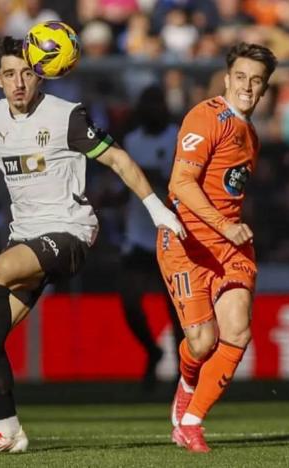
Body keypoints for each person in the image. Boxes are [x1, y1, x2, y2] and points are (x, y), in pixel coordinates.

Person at [0, 36, 184, 454]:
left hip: (71, 232)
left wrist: (157, 209)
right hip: (27, 237)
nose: (19, 83)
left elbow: (118, 159)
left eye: (27, 73)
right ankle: (8, 429)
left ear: (41, 75)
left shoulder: (66, 116)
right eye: (10, 74)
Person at [156, 42, 277, 453]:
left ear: (264, 90)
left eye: (256, 80)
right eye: (240, 77)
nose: (247, 86)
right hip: (187, 243)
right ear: (227, 79)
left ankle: (191, 422)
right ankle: (188, 382)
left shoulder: (252, 136)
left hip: (229, 246)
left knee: (239, 329)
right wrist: (225, 224)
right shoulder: (206, 117)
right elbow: (180, 184)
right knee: (203, 342)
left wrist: (230, 229)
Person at [119, 85, 185, 390]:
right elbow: (124, 183)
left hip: (171, 233)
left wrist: (142, 174)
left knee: (175, 308)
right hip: (138, 235)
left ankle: (183, 372)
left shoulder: (176, 136)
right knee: (130, 301)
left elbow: (176, 180)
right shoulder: (131, 141)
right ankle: (152, 350)